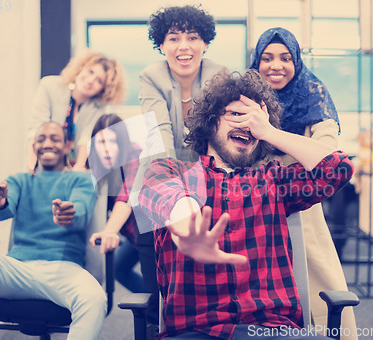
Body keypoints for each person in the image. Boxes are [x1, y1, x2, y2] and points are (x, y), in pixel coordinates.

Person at [137, 69, 354, 339]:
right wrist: (188, 227)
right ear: (210, 121)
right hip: (196, 331)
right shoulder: (173, 171)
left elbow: (338, 169)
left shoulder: (274, 181)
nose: (247, 125)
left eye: (255, 119)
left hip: (272, 330)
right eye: (236, 115)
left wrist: (271, 131)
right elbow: (161, 195)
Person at [250, 27, 357, 338]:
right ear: (256, 62)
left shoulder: (313, 94)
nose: (276, 65)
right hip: (252, 205)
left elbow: (328, 153)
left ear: (296, 60)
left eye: (285, 58)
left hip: (300, 205)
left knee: (319, 283)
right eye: (267, 58)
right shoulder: (246, 96)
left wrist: (269, 132)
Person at [131, 6, 227, 338]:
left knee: (199, 279)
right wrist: (174, 194)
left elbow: (218, 138)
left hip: (206, 182)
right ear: (161, 44)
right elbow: (158, 136)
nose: (183, 46)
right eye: (174, 38)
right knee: (154, 283)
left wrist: (198, 188)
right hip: (158, 178)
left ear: (205, 43)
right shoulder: (151, 75)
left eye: (192, 37)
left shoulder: (219, 75)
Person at [0, 122, 103, 340]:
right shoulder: (19, 180)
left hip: (63, 271)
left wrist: (68, 213)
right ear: (34, 146)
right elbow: (5, 207)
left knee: (95, 298)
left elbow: (80, 210)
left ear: (66, 146)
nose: (46, 143)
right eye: (41, 139)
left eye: (54, 138)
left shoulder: (81, 179)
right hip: (16, 270)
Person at [27, 49, 125, 171]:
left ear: (104, 89)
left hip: (72, 166)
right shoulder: (48, 85)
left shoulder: (98, 108)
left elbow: (86, 138)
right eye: (90, 72)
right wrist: (33, 168)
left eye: (99, 80)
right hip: (44, 161)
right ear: (80, 68)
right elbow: (36, 129)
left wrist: (79, 169)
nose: (90, 81)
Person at [86, 113, 144, 293]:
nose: (107, 149)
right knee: (118, 269)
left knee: (158, 287)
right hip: (134, 236)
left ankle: (154, 310)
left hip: (152, 235)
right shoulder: (97, 165)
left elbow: (127, 197)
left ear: (123, 142)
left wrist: (109, 231)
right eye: (101, 142)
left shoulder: (136, 157)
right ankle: (151, 305)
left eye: (113, 142)